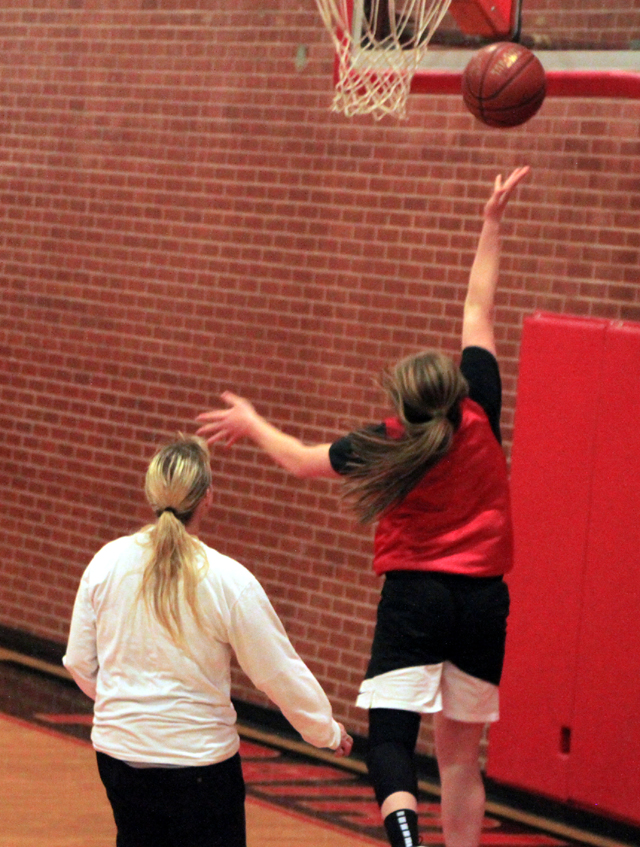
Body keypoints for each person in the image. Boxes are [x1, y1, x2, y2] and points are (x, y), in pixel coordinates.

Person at [195, 166, 529, 847]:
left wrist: (253, 422)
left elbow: (295, 458)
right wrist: (491, 221)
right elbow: (479, 311)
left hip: (416, 598)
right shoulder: (481, 408)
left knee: (392, 746)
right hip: (484, 604)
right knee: (463, 757)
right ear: (453, 386)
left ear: (401, 402)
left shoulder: (385, 441)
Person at [63, 435, 352, 847]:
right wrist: (325, 731)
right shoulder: (227, 579)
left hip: (118, 755)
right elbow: (277, 671)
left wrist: (126, 706)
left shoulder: (105, 563)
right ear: (208, 498)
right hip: (200, 767)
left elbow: (78, 661)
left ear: (151, 494)